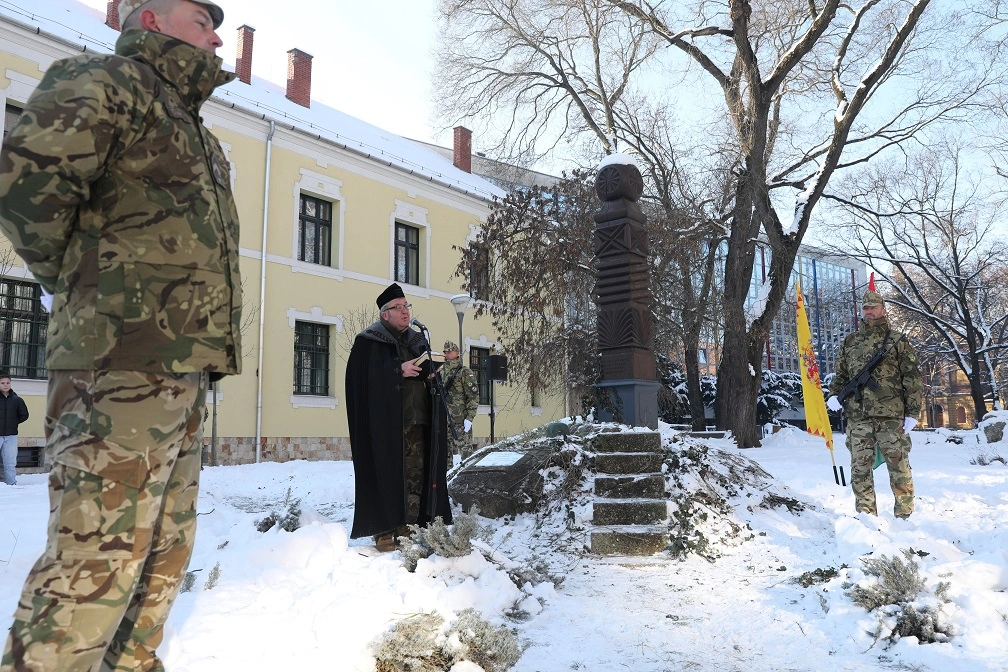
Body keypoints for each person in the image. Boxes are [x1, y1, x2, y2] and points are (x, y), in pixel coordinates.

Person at [0, 0, 242, 669]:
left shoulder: (197, 130)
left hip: (184, 369)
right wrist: (86, 285)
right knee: (95, 564)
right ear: (155, 21)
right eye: (202, 18)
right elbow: (26, 188)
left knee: (162, 557)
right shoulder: (104, 81)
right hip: (118, 365)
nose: (216, 33)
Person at [345, 283, 452, 552]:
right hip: (385, 425)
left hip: (419, 421)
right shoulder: (368, 342)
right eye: (399, 308)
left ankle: (408, 524)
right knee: (386, 474)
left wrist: (430, 373)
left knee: (415, 475)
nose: (405, 312)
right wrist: (396, 370)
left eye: (407, 307)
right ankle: (383, 531)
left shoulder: (418, 340)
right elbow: (360, 380)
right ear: (385, 314)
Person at [827, 287, 922, 519]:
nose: (869, 311)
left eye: (873, 307)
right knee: (860, 469)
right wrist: (833, 394)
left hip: (891, 416)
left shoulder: (897, 340)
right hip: (858, 416)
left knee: (899, 467)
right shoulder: (851, 341)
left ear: (883, 310)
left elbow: (912, 377)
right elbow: (841, 374)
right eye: (866, 308)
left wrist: (913, 412)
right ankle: (866, 516)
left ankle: (905, 515)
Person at [440, 340, 479, 459]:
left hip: (460, 419)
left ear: (457, 353)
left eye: (449, 351)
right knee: (445, 452)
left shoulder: (464, 372)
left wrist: (469, 418)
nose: (446, 354)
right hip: (445, 417)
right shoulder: (442, 371)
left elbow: (473, 396)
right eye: (445, 352)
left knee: (465, 450)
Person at [0, 371, 30, 487]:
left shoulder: (17, 400)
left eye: (8, 382)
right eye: (2, 383)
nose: (5, 385)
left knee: (10, 462)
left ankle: (11, 484)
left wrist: (12, 423)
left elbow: (24, 415)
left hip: (11, 436)